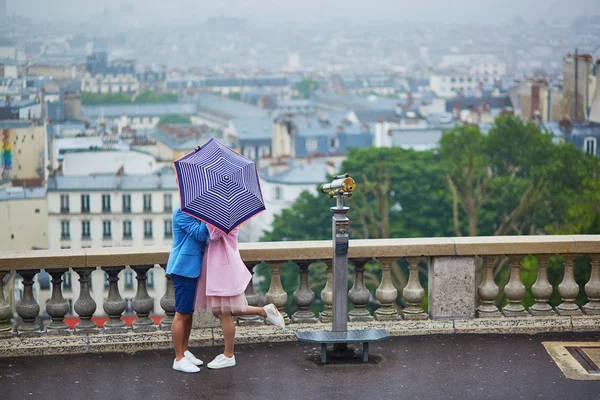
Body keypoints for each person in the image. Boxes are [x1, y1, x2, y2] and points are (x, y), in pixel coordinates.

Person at [195, 224, 285, 370]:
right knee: (219, 310)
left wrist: (205, 222)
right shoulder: (223, 215)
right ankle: (263, 311)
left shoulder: (222, 217)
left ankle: (229, 355)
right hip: (218, 266)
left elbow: (213, 235)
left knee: (223, 312)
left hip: (223, 268)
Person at [165, 206, 209, 373]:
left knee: (188, 312)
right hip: (182, 268)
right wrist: (208, 216)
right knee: (181, 313)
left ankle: (184, 350)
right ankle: (178, 358)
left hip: (192, 268)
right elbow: (199, 234)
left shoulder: (195, 211)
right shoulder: (182, 212)